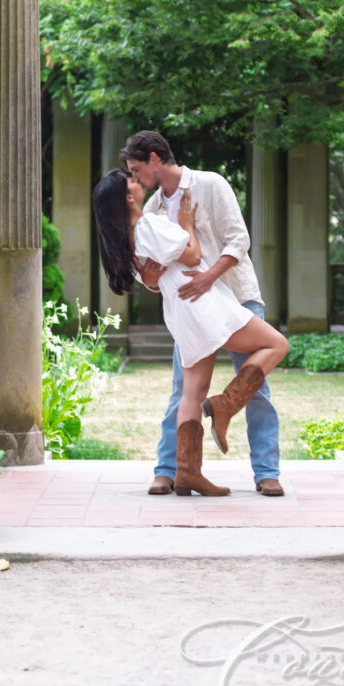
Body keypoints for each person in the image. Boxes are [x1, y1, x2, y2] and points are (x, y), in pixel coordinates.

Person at [93, 168, 288, 497]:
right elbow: (193, 255)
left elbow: (152, 277)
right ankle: (225, 405)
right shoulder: (150, 224)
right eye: (131, 179)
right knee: (277, 344)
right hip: (204, 303)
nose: (136, 180)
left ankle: (187, 473)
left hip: (181, 312)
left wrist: (155, 275)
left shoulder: (126, 240)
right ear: (127, 198)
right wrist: (185, 225)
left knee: (190, 394)